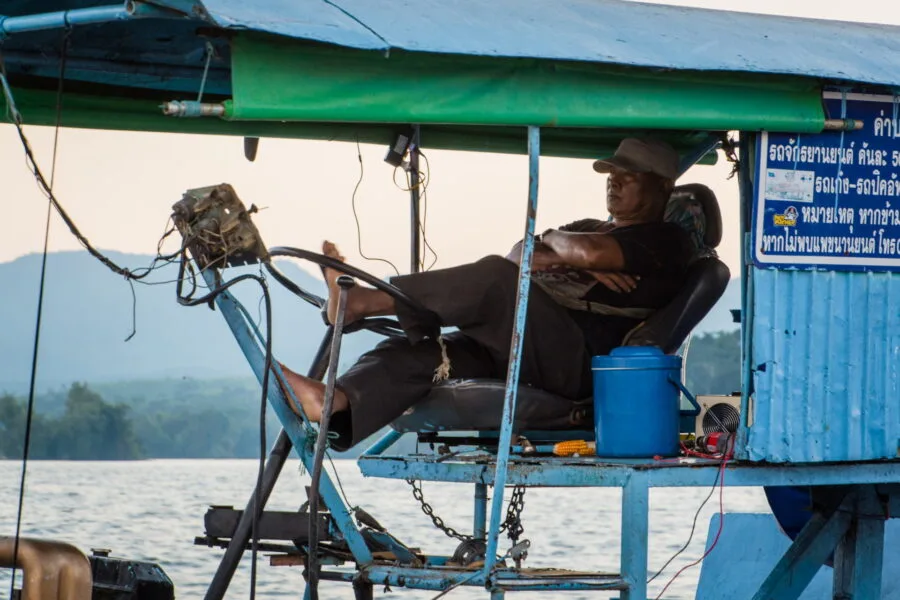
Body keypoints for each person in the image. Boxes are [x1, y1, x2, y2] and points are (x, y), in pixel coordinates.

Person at [281, 138, 695, 450]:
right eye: (611, 175)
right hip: (522, 342)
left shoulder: (667, 242)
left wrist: (565, 251)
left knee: (496, 278)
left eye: (629, 177)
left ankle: (362, 302)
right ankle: (333, 399)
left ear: (660, 187)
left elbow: (574, 252)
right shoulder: (593, 224)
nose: (614, 184)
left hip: (576, 362)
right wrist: (554, 249)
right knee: (429, 349)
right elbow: (520, 252)